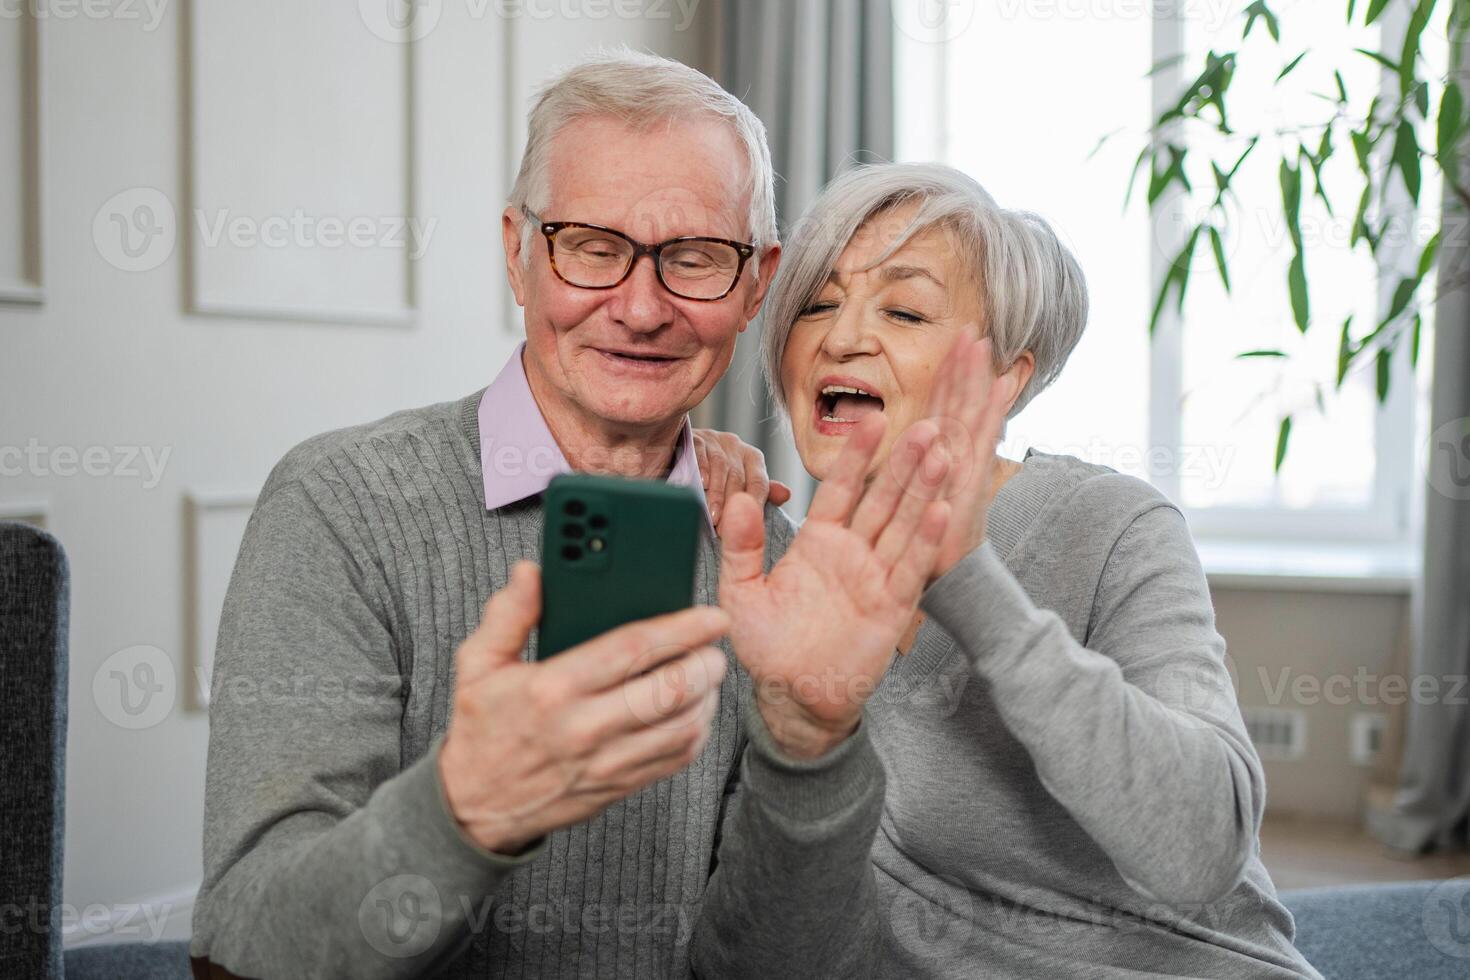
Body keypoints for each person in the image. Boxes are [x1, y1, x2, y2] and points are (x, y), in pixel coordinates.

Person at [189, 53, 953, 979]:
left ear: (758, 284)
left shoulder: (775, 579)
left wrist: (806, 749)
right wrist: (464, 810)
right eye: (592, 246)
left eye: (695, 258)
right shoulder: (342, 508)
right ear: (518, 252)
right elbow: (244, 947)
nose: (640, 308)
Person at [738, 161, 1324, 979]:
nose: (840, 337)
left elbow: (1204, 846)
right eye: (818, 303)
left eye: (904, 308)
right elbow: (763, 945)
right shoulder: (774, 591)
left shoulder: (1109, 524)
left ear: (1005, 379)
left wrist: (972, 588)